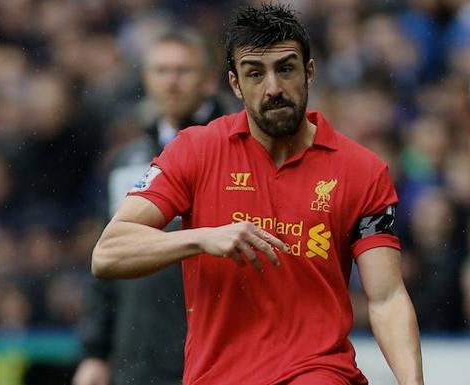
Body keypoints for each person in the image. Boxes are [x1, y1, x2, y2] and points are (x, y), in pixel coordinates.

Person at [91, 4, 424, 385]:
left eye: (286, 68)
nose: (274, 89)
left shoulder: (362, 171)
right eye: (255, 74)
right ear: (235, 84)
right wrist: (203, 237)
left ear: (309, 72)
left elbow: (387, 298)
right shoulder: (195, 151)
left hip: (316, 372)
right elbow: (107, 253)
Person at [73, 29, 228, 385]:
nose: (171, 82)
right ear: (147, 79)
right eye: (161, 71)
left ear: (209, 80)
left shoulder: (237, 153)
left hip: (218, 353)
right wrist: (95, 353)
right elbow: (106, 258)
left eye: (183, 71)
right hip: (139, 356)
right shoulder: (127, 162)